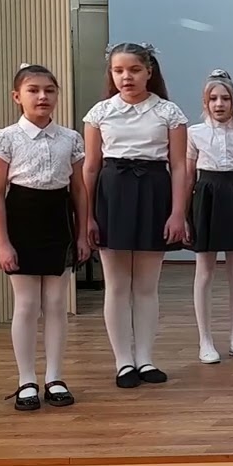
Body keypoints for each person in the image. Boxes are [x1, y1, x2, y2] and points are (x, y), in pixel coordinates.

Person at [83, 43, 188, 388]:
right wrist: (87, 216)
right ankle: (123, 362)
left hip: (153, 193)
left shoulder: (169, 112)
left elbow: (179, 166)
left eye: (134, 70)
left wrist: (178, 212)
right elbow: (91, 167)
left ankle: (145, 358)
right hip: (112, 195)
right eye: (118, 71)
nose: (126, 77)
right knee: (116, 285)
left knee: (146, 285)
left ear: (149, 72)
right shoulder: (100, 113)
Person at [0, 64, 90, 410]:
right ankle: (26, 380)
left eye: (49, 90)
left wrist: (82, 234)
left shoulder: (70, 138)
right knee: (27, 304)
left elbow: (79, 190)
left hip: (57, 220)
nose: (42, 96)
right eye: (33, 90)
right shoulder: (5, 138)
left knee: (57, 303)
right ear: (17, 96)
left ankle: (55, 377)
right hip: (22, 219)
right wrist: (3, 243)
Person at [185, 69, 233, 363]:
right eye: (213, 98)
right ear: (205, 102)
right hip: (206, 195)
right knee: (204, 270)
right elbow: (188, 177)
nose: (219, 104)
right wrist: (183, 215)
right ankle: (205, 340)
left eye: (225, 98)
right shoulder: (194, 133)